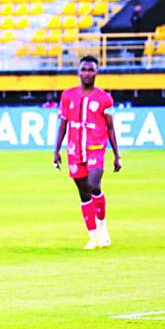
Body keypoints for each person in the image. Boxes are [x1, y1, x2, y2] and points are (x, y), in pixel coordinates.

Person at [53, 56, 121, 249]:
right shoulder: (68, 95)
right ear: (79, 72)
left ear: (97, 72)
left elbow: (110, 128)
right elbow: (63, 124)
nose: (87, 73)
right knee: (83, 193)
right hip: (74, 150)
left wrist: (117, 155)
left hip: (95, 148)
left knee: (93, 184)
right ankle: (93, 237)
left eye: (91, 70)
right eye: (84, 69)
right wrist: (56, 150)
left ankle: (102, 228)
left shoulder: (104, 98)